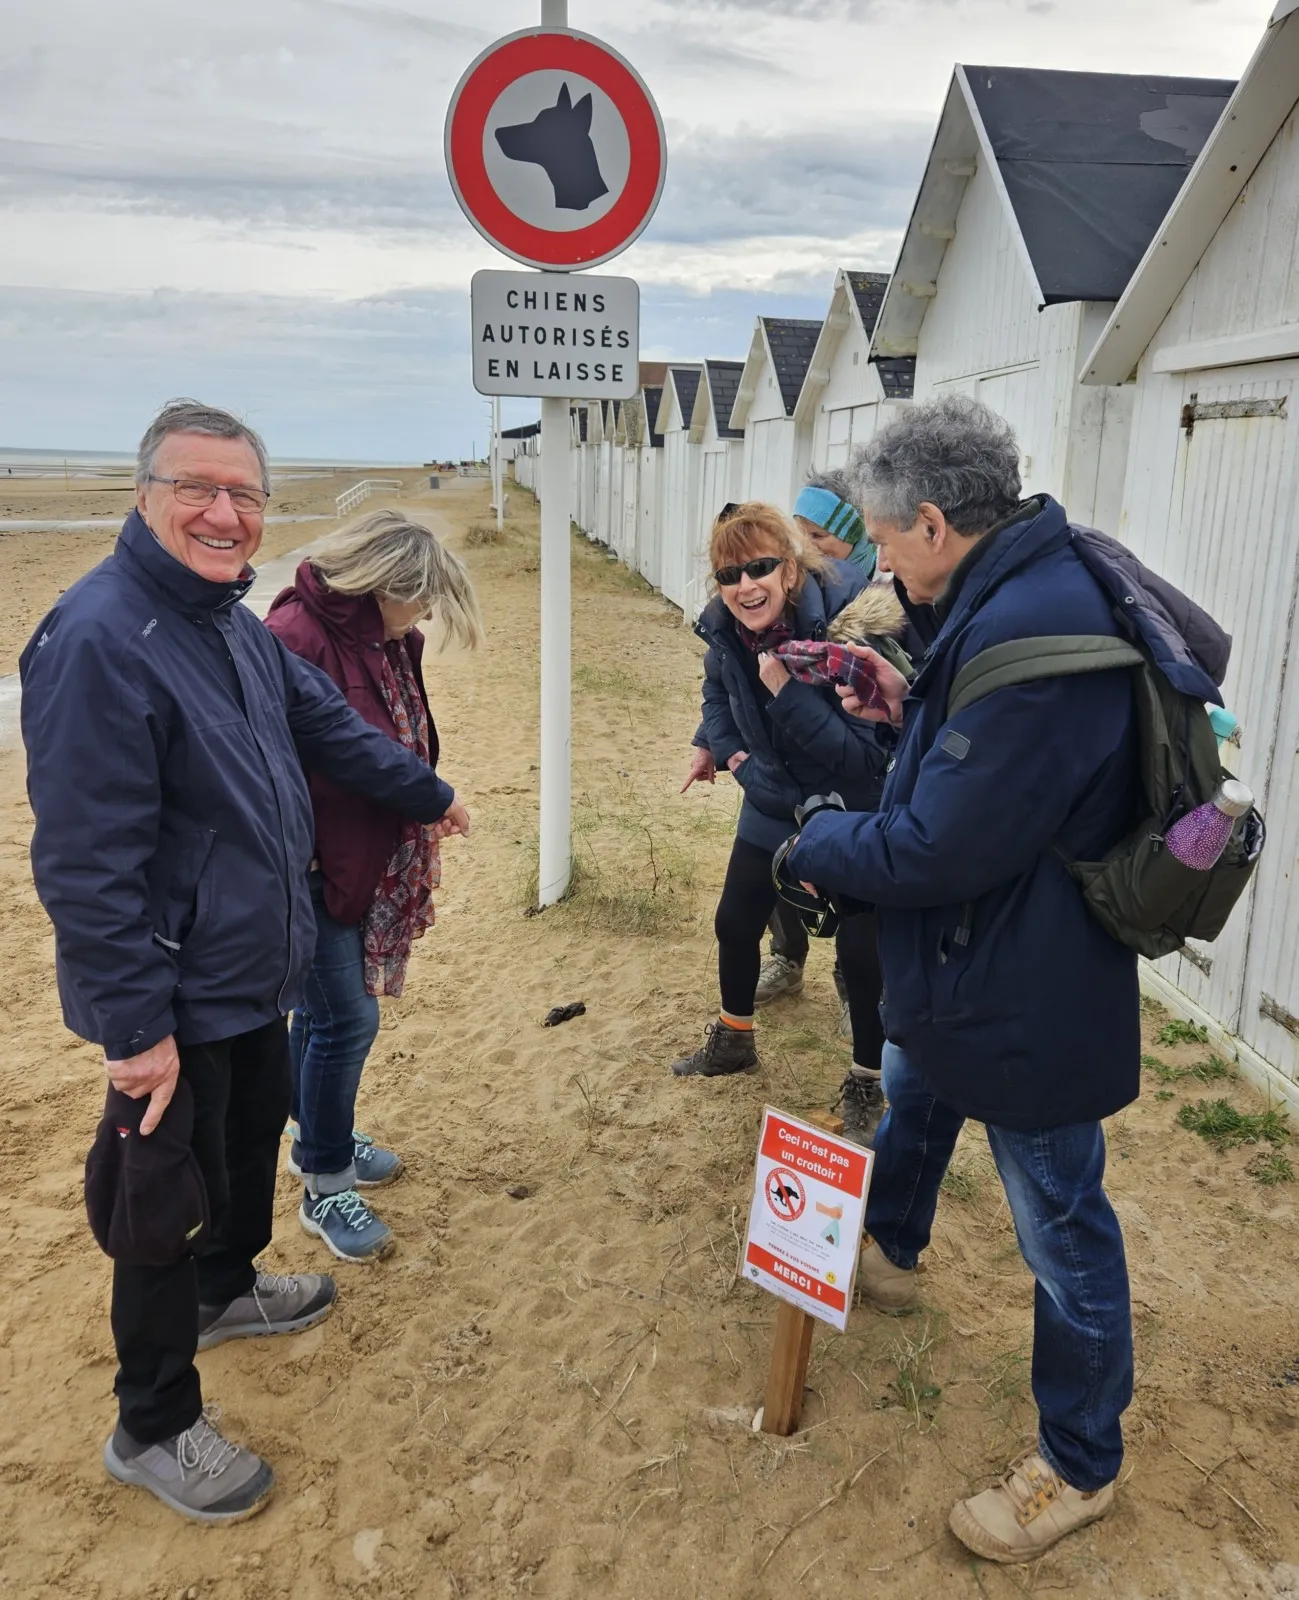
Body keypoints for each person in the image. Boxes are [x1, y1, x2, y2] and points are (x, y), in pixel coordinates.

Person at [20, 399, 469, 1525]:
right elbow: (85, 860)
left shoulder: (229, 622)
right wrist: (133, 1028)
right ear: (146, 496)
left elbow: (328, 729)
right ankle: (152, 1422)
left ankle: (227, 1290)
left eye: (244, 495)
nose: (223, 513)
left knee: (243, 1145)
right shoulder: (98, 636)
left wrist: (429, 793)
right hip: (169, 992)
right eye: (196, 488)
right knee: (159, 1205)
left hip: (252, 968)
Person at [787, 395, 1151, 1562]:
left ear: (936, 524)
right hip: (971, 960)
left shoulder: (1034, 631)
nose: (880, 562)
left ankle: (1079, 1462)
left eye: (888, 539)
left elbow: (940, 845)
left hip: (1029, 982)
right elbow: (986, 771)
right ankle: (892, 1249)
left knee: (1060, 1220)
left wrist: (814, 840)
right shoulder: (1013, 590)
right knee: (914, 1082)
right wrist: (908, 706)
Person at [264, 511, 483, 1263]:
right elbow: (343, 749)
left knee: (320, 1014)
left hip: (353, 855)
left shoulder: (382, 640)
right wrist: (430, 794)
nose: (424, 617)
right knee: (346, 1021)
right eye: (420, 601)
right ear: (383, 585)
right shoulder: (297, 636)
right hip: (310, 864)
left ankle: (311, 1136)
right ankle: (325, 1185)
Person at [674, 502, 897, 1138]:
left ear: (791, 571)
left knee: (861, 951)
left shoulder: (850, 629)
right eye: (729, 574)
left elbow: (862, 756)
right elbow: (716, 696)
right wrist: (734, 759)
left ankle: (867, 1079)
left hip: (849, 805)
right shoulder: (725, 630)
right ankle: (735, 1039)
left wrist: (786, 692)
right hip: (771, 794)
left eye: (760, 568)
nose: (745, 586)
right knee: (734, 921)